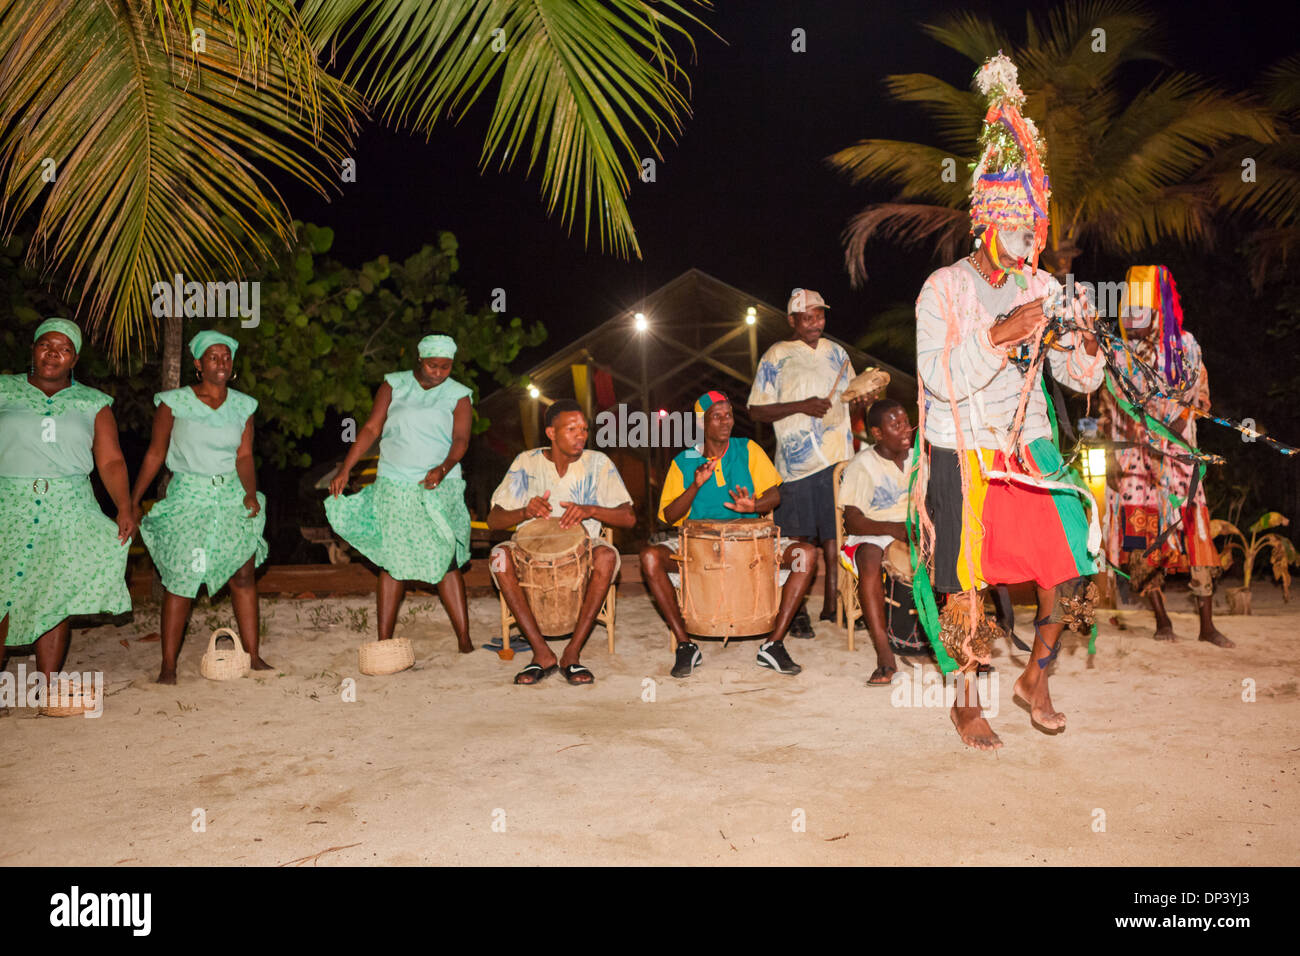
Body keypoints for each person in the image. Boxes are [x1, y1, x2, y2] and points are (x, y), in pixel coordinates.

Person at [912, 53, 1104, 750]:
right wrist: (1000, 333)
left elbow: (1081, 383)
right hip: (963, 448)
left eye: (1036, 227)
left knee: (1073, 564)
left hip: (1028, 444)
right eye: (1019, 225)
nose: (1030, 240)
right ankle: (966, 699)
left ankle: (1038, 675)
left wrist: (1082, 346)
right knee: (963, 580)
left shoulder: (1045, 288)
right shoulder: (942, 289)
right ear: (988, 221)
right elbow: (936, 379)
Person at [0, 318, 135, 697]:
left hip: (69, 507)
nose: (53, 354)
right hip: (8, 504)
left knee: (54, 593)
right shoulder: (4, 390)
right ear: (33, 349)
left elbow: (110, 461)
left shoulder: (94, 403)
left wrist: (124, 506)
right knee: (2, 590)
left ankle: (45, 688)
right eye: (46, 345)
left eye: (63, 349)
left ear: (74, 359)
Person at [640, 391, 817, 678]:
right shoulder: (684, 460)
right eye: (717, 416)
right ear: (701, 423)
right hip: (696, 550)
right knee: (649, 557)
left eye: (729, 415)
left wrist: (755, 505)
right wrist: (695, 485)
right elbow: (669, 516)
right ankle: (685, 644)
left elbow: (774, 495)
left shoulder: (747, 449)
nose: (726, 422)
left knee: (805, 555)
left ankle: (773, 644)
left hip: (754, 548)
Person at [1100, 266, 1229, 646]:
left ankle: (1207, 624)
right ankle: (1162, 620)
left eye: (1137, 310)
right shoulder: (1119, 355)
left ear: (1158, 310)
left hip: (1178, 458)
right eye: (1125, 310)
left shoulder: (1186, 347)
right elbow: (1109, 412)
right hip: (1135, 465)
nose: (1128, 318)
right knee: (1141, 538)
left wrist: (1187, 410)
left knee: (1196, 533)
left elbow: (1201, 396)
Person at [134, 330, 270, 683]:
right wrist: (132, 500)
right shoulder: (174, 402)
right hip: (188, 497)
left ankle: (254, 656)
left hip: (230, 495)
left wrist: (250, 493)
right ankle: (168, 665)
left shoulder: (243, 406)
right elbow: (155, 453)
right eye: (213, 357)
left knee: (243, 573)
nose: (221, 363)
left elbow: (244, 455)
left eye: (226, 357)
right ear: (198, 363)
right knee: (181, 578)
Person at [326, 334, 474, 654]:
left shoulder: (459, 395)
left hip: (437, 484)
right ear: (419, 360)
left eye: (445, 367)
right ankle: (383, 640)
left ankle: (464, 639)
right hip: (394, 483)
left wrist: (444, 467)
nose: (438, 372)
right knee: (393, 560)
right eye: (433, 365)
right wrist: (346, 468)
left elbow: (461, 439)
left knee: (445, 556)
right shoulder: (394, 385)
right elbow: (370, 429)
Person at [488, 399, 635, 685]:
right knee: (498, 557)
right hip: (527, 548)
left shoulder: (599, 463)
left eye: (584, 429)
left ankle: (572, 653)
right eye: (571, 429)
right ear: (551, 433)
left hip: (585, 545)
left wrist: (591, 509)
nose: (581, 435)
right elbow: (494, 520)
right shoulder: (525, 463)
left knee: (607, 556)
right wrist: (524, 511)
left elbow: (628, 517)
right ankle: (541, 653)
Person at [748, 288, 866, 636]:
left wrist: (865, 397)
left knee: (836, 537)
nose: (816, 322)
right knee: (797, 540)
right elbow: (756, 409)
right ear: (792, 320)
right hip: (796, 465)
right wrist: (801, 405)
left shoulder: (838, 353)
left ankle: (834, 605)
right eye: (808, 317)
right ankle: (795, 608)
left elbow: (852, 399)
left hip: (838, 461)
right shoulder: (777, 355)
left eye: (820, 315)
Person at [838, 398, 916, 686]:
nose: (906, 429)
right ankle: (885, 656)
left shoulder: (919, 459)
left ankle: (952, 641)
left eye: (906, 422)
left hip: (910, 529)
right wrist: (895, 529)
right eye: (896, 426)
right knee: (870, 557)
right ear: (878, 434)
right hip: (871, 530)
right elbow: (853, 520)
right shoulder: (863, 465)